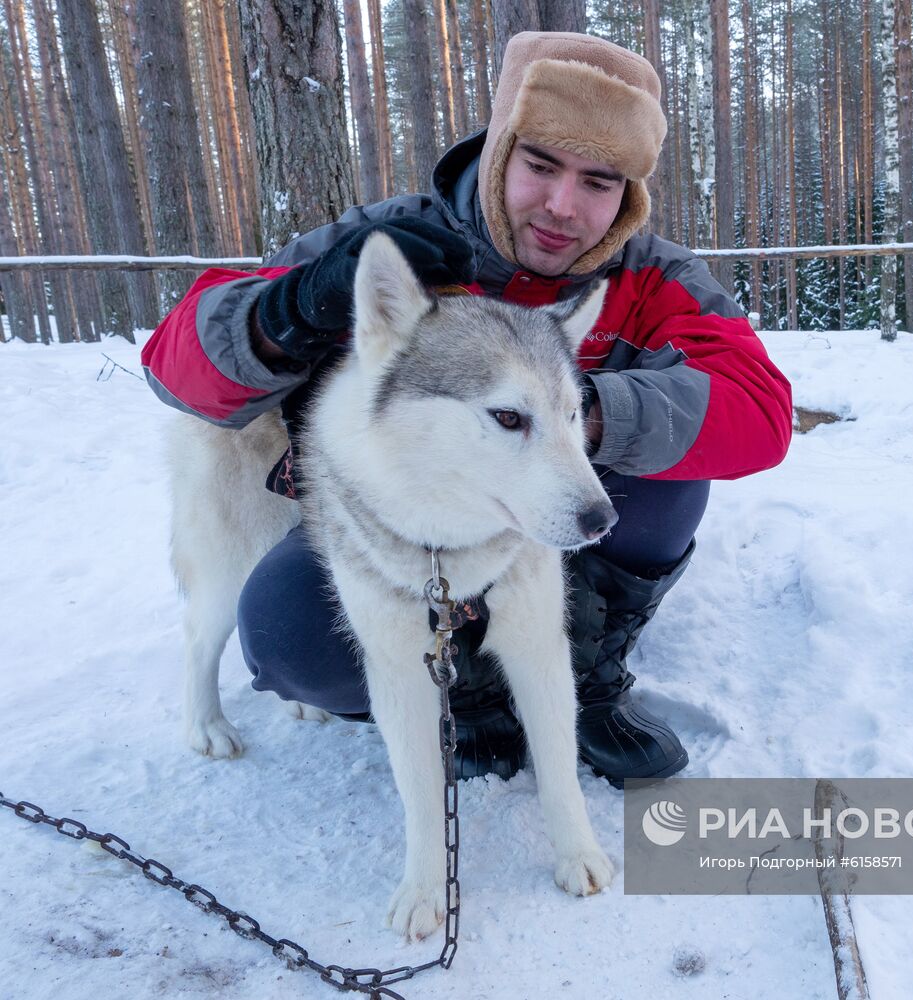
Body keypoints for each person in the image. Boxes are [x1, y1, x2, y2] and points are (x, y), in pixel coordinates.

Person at [142, 31, 792, 786]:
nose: (562, 206)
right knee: (294, 634)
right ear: (498, 153)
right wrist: (292, 306)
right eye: (541, 166)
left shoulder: (653, 277)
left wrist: (561, 412)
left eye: (599, 181)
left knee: (678, 444)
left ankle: (587, 673)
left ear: (628, 196)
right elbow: (176, 367)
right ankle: (469, 694)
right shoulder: (390, 241)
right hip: (403, 521)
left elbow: (760, 412)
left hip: (557, 516)